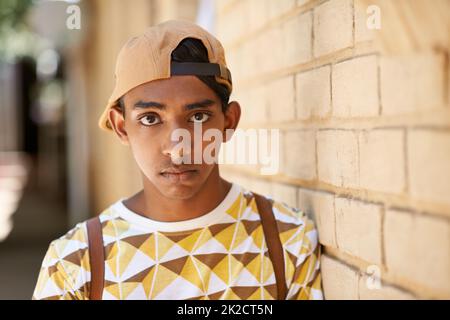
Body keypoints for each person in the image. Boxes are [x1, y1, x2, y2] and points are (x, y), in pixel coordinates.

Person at [32, 20, 323, 300]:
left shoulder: (287, 241)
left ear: (229, 121)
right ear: (122, 127)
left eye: (198, 117)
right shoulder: (76, 264)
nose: (178, 148)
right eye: (150, 118)